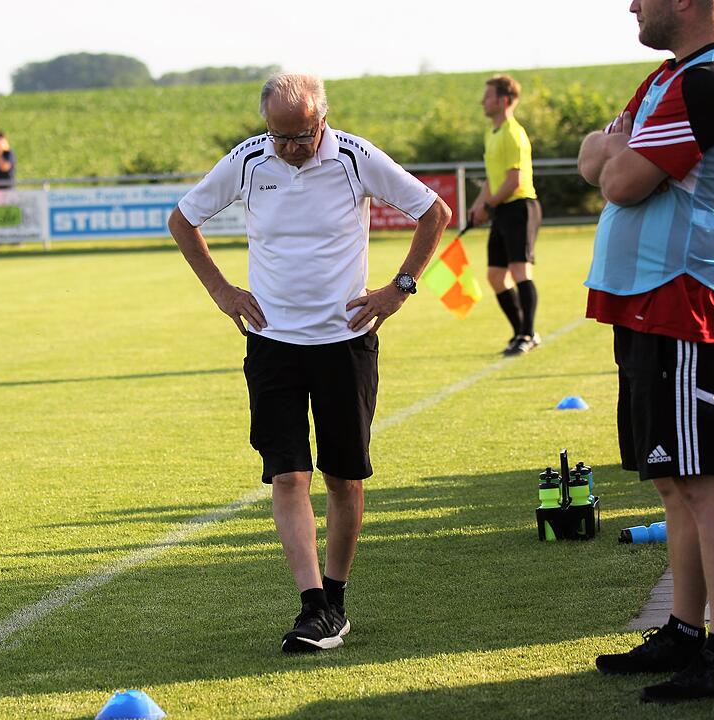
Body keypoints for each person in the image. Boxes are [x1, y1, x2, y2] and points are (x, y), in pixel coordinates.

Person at [168, 73, 451, 653]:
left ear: (322, 120)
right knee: (289, 474)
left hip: (345, 341)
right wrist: (223, 291)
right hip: (272, 344)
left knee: (344, 477)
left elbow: (435, 212)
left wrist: (399, 288)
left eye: (301, 136)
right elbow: (182, 219)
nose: (290, 148)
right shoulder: (249, 160)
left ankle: (338, 599)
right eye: (279, 136)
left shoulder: (354, 157)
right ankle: (313, 605)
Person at [577, 0, 714, 704]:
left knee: (707, 482)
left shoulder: (711, 82)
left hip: (690, 304)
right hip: (652, 305)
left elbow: (617, 177)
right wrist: (612, 153)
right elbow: (594, 157)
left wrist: (615, 153)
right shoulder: (668, 76)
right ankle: (686, 630)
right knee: (674, 480)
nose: (630, 3)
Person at [467, 75, 542, 356]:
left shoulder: (513, 133)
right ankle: (522, 330)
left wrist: (488, 206)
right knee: (496, 276)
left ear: (504, 100)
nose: (483, 102)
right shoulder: (492, 133)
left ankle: (526, 334)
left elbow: (514, 181)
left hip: (520, 207)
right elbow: (492, 180)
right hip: (501, 209)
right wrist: (478, 205)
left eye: (488, 97)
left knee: (520, 271)